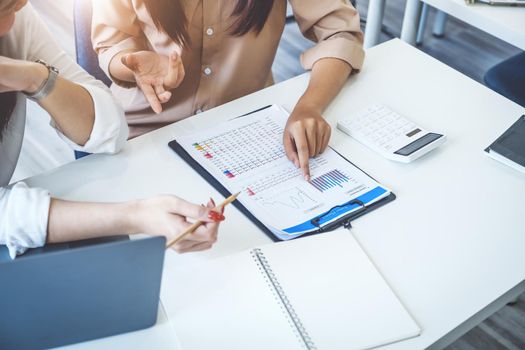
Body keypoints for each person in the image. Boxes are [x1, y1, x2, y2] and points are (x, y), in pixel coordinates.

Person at [0, 0, 223, 259]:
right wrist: (136, 216)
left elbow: (109, 131)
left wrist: (37, 78)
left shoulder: (19, 17)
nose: (19, 11)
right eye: (6, 8)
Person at [92, 0, 364, 180]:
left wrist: (309, 106)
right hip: (146, 134)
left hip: (244, 130)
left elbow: (340, 33)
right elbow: (112, 44)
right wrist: (135, 67)